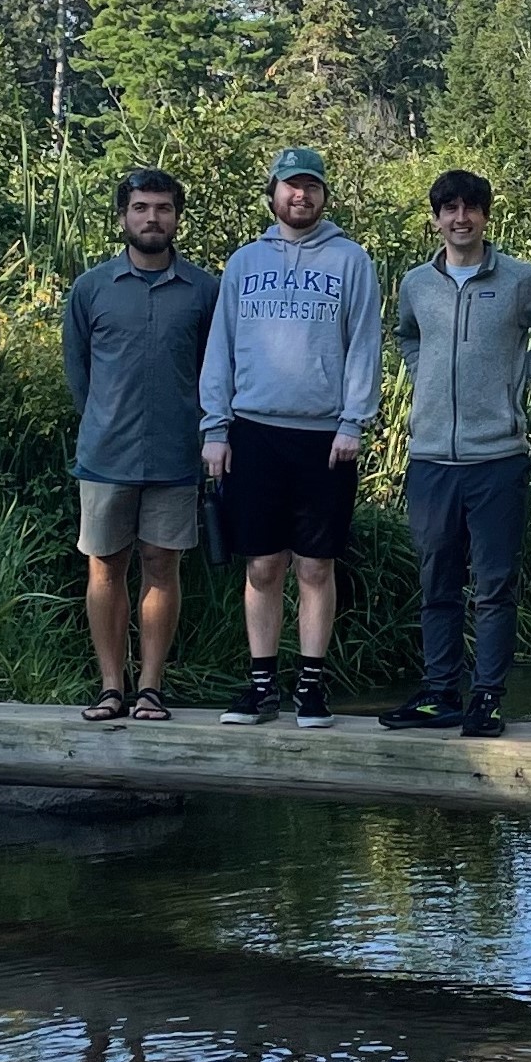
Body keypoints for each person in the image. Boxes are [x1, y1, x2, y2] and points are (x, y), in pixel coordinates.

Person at [377, 170, 531, 739]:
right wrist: (421, 377)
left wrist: (519, 377)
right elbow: (406, 335)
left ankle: (487, 697)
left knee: (493, 586)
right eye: (449, 209)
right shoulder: (417, 282)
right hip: (431, 459)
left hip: (496, 458)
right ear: (436, 217)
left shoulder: (518, 279)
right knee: (436, 582)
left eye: (471, 208)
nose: (460, 218)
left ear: (486, 215)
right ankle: (440, 692)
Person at [199, 144, 384, 730]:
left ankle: (310, 686)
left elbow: (364, 344)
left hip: (325, 437)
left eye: (309, 186)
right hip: (253, 431)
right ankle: (260, 686)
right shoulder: (244, 262)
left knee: (316, 566)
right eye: (289, 186)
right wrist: (215, 428)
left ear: (324, 195)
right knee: (262, 566)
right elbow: (219, 349)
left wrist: (354, 419)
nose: (298, 196)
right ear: (274, 194)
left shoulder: (351, 260)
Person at [63, 168, 218, 724]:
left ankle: (151, 687)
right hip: (106, 455)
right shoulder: (92, 288)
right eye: (141, 208)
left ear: (177, 217)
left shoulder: (204, 290)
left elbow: (216, 370)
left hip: (177, 454)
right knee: (105, 567)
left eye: (163, 208)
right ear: (123, 215)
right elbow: (79, 373)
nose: (152, 218)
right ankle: (110, 687)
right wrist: (103, 420)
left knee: (161, 566)